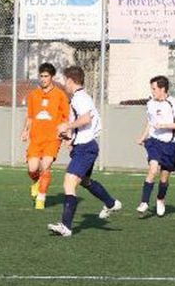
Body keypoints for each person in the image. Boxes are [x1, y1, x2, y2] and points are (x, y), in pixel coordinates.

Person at [48, 65, 121, 237]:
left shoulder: (80, 98)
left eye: (65, 80)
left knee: (69, 182)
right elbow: (84, 122)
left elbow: (86, 119)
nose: (64, 83)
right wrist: (69, 138)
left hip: (86, 147)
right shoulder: (80, 98)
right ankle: (110, 203)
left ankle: (66, 226)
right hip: (84, 146)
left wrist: (68, 125)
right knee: (85, 181)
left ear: (71, 80)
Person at [20, 62, 69, 210]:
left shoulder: (60, 95)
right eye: (41, 76)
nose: (43, 79)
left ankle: (41, 198)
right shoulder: (33, 95)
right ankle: (36, 183)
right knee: (33, 168)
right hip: (36, 138)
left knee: (45, 166)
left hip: (53, 139)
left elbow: (66, 118)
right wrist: (25, 130)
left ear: (52, 77)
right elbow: (30, 116)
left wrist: (68, 136)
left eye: (46, 76)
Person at [136, 75, 175, 217]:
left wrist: (164, 125)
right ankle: (144, 202)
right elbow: (150, 122)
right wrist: (143, 137)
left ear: (162, 89)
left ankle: (160, 199)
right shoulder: (150, 103)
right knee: (153, 169)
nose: (152, 91)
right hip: (154, 142)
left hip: (170, 146)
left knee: (164, 178)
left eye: (154, 89)